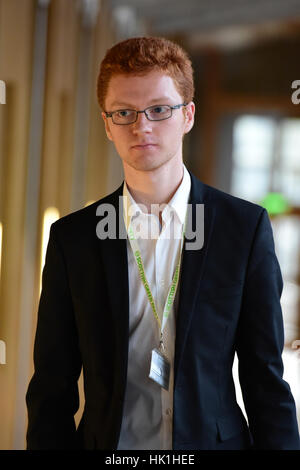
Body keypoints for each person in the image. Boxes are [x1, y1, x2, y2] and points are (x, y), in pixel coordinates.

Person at [26, 36, 300, 450]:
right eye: (124, 112)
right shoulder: (73, 238)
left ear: (188, 115)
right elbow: (51, 385)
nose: (141, 126)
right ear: (106, 123)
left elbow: (265, 378)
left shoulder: (243, 229)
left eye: (159, 109)